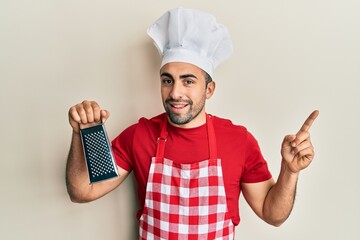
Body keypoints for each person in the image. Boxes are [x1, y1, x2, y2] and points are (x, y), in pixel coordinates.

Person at [66, 7, 319, 239]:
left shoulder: (238, 141)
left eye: (188, 81)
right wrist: (80, 134)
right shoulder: (139, 135)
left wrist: (290, 171)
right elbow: (82, 191)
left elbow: (272, 214)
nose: (175, 93)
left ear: (209, 89)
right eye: (167, 80)